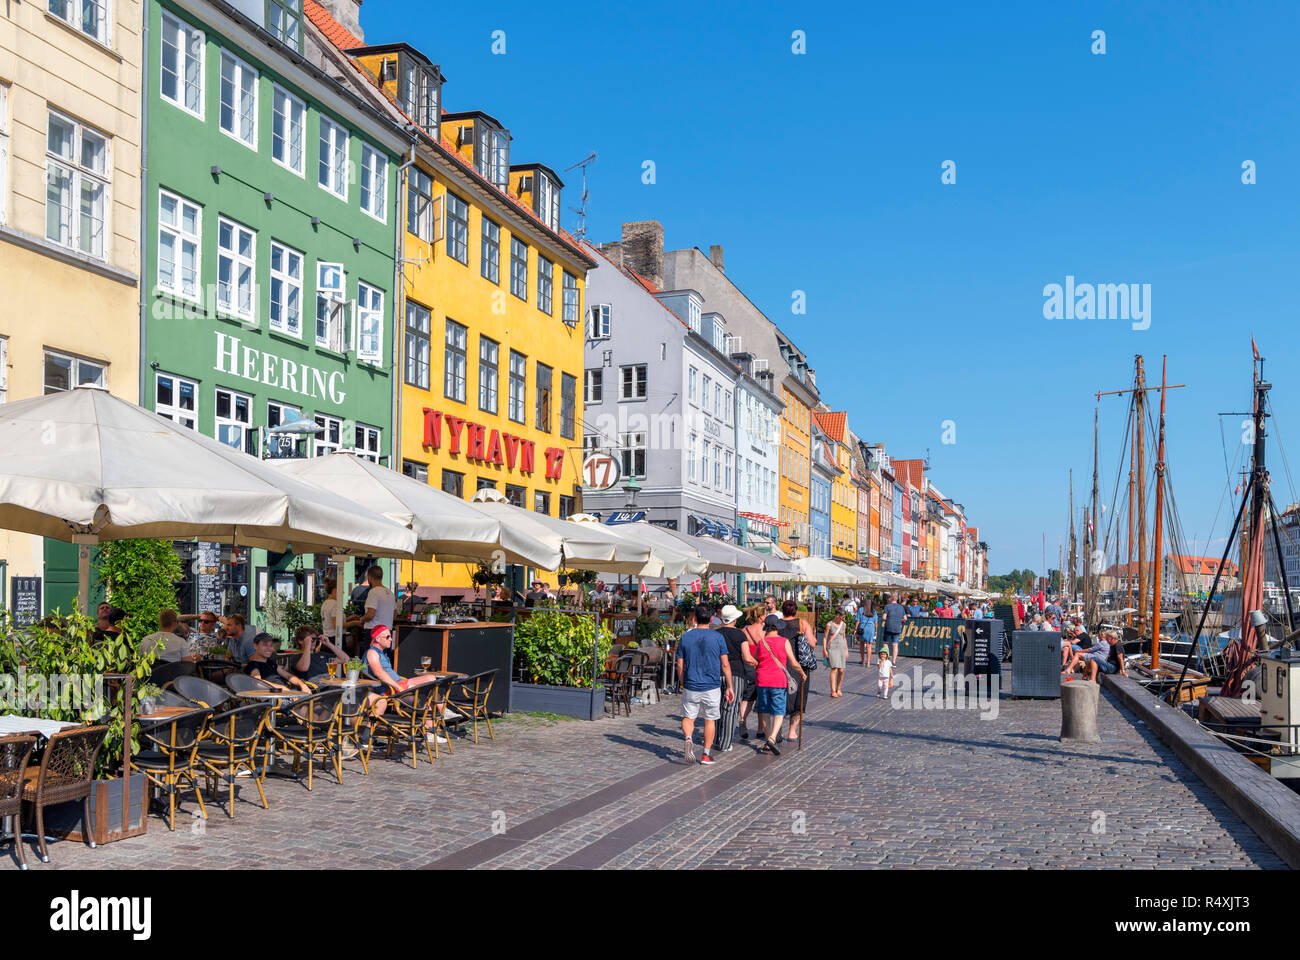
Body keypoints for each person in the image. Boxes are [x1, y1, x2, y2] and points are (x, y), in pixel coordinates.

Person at [676, 604, 733, 765]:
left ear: (694, 618)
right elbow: (725, 665)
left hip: (691, 684)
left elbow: (680, 664)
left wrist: (682, 682)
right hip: (712, 685)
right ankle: (706, 755)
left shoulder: (686, 637)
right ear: (711, 619)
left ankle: (688, 737)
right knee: (710, 720)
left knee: (688, 717)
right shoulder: (718, 638)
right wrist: (729, 686)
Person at [741, 617, 806, 756]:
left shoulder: (761, 642)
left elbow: (757, 658)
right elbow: (793, 663)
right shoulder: (784, 641)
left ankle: (767, 739)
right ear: (777, 627)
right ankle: (771, 738)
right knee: (778, 711)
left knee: (764, 710)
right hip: (778, 680)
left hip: (762, 680)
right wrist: (802, 673)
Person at [777, 599, 817, 744]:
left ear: (782, 610)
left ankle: (777, 728)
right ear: (795, 611)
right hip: (799, 665)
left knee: (781, 698)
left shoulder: (777, 624)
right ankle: (792, 732)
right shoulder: (802, 623)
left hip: (781, 664)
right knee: (799, 700)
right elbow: (812, 643)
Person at [715, 605, 751, 752]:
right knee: (731, 708)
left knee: (717, 707)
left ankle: (715, 738)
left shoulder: (715, 633)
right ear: (735, 620)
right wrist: (756, 663)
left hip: (716, 672)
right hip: (735, 673)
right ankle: (725, 742)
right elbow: (747, 657)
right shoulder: (740, 635)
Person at [737, 604, 767, 740]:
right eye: (765, 614)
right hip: (762, 666)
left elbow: (742, 653)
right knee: (762, 698)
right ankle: (761, 728)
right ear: (761, 616)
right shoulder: (765, 631)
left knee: (748, 697)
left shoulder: (744, 631)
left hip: (748, 667)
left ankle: (743, 719)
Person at [244, 633, 310, 692]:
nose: (269, 648)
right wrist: (280, 687)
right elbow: (258, 682)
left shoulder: (270, 662)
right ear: (255, 646)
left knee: (315, 702)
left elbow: (288, 676)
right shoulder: (253, 664)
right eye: (265, 645)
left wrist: (302, 685)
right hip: (273, 697)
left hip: (286, 692)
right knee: (307, 705)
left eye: (271, 645)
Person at [346, 565, 395, 634]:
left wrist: (362, 619)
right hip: (387, 631)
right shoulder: (390, 593)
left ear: (370, 577)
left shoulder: (373, 591)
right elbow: (394, 614)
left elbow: (370, 615)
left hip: (374, 631)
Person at [824, 610, 849, 697]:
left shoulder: (843, 625)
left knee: (841, 670)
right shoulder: (829, 624)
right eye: (843, 617)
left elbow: (844, 637)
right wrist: (824, 650)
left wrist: (846, 650)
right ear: (837, 615)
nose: (844, 619)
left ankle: (839, 688)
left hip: (842, 647)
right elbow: (824, 638)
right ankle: (833, 691)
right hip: (833, 648)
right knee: (834, 669)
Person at [881, 592, 905, 664]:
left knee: (885, 643)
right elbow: (905, 618)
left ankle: (887, 660)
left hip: (889, 626)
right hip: (897, 627)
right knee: (895, 645)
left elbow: (884, 617)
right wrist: (900, 621)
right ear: (897, 599)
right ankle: (894, 662)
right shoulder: (901, 607)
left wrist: (888, 619)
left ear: (891, 598)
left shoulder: (887, 607)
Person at [320, 577, 342, 642]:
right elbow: (336, 625)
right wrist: (354, 623)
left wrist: (350, 618)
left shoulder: (325, 603)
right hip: (335, 638)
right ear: (335, 590)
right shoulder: (335, 604)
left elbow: (330, 620)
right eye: (341, 590)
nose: (342, 593)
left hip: (327, 637)